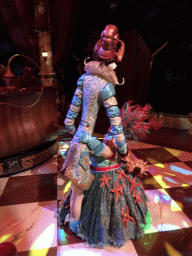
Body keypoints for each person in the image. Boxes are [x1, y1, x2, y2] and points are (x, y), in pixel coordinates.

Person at [59, 24, 128, 226]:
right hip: (84, 143)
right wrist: (122, 149)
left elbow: (69, 120)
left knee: (75, 189)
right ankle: (75, 224)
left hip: (78, 139)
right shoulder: (106, 87)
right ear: (113, 62)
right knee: (77, 194)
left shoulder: (84, 79)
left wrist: (77, 133)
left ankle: (73, 219)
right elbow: (116, 124)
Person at [59, 126, 151, 248]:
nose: (108, 136)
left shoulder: (110, 148)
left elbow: (102, 149)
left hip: (109, 177)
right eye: (109, 132)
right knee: (76, 197)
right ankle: (73, 219)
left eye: (113, 134)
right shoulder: (111, 144)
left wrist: (86, 138)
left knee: (99, 203)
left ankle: (78, 222)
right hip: (90, 175)